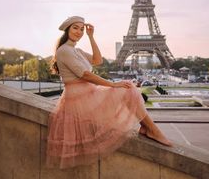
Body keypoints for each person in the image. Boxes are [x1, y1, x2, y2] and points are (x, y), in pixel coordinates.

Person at [46, 16, 172, 169]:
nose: (79, 32)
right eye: (75, 28)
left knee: (128, 87)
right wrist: (113, 84)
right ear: (67, 30)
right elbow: (85, 75)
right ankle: (151, 129)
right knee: (126, 89)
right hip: (78, 99)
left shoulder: (75, 50)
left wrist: (91, 37)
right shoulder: (64, 50)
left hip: (87, 94)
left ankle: (147, 128)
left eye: (81, 28)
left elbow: (98, 60)